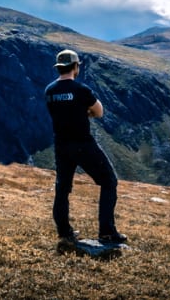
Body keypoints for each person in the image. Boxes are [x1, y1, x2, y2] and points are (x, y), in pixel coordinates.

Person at [44, 49, 126, 245]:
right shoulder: (81, 89)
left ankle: (64, 232)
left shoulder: (50, 90)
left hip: (61, 145)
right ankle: (107, 232)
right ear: (75, 67)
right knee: (109, 182)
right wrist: (84, 112)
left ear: (59, 67)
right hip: (82, 143)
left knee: (62, 188)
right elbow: (99, 112)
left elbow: (59, 113)